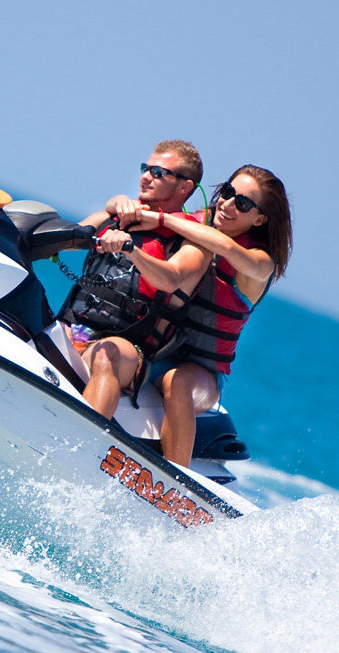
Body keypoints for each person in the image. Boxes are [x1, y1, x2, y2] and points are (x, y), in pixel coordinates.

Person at [128, 165, 292, 466]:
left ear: (259, 219)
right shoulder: (194, 223)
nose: (227, 205)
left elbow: (225, 246)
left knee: (177, 383)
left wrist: (162, 219)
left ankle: (175, 480)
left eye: (242, 203)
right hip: (156, 348)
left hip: (200, 373)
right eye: (227, 193)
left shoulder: (259, 264)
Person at [64, 140, 213, 420]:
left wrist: (130, 249)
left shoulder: (193, 244)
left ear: (185, 187)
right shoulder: (116, 216)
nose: (146, 176)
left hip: (127, 349)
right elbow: (69, 238)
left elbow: (171, 279)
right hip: (73, 326)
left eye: (159, 172)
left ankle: (79, 444)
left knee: (109, 354)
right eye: (147, 168)